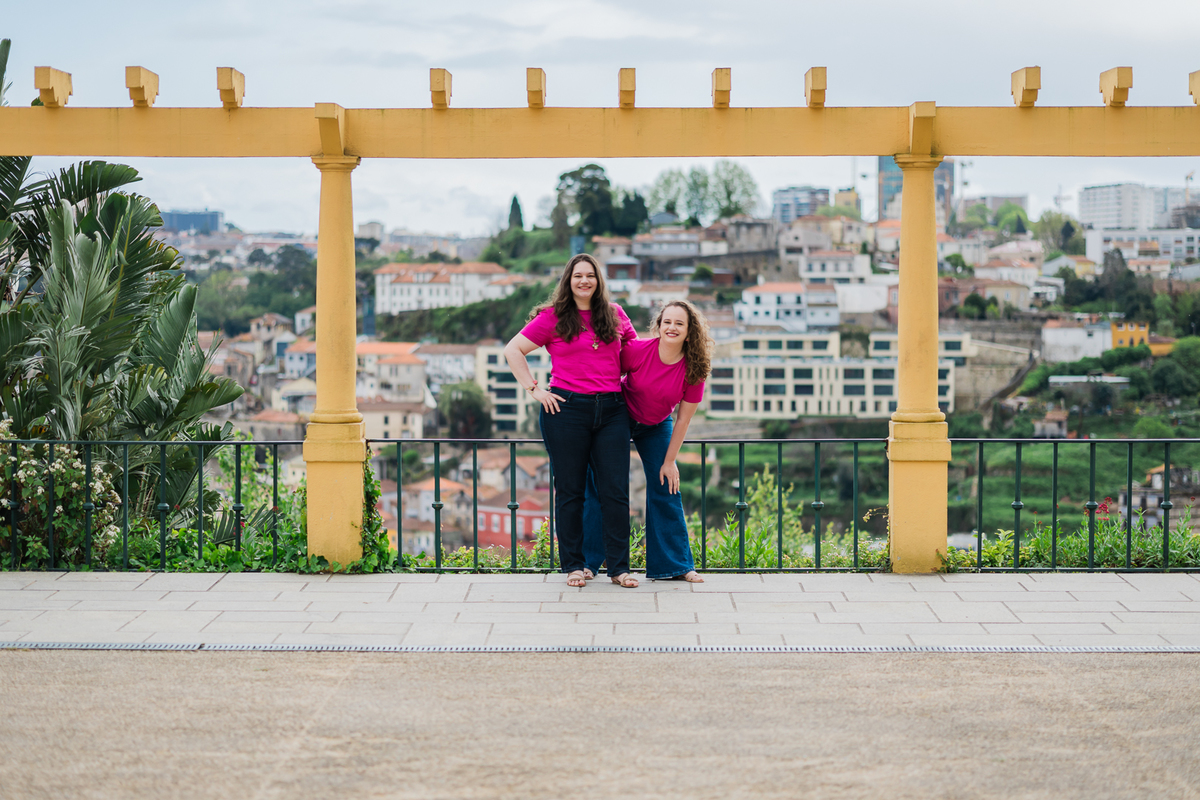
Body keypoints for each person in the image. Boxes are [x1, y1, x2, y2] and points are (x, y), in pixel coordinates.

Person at [503, 254, 639, 589]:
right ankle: (574, 566)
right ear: (568, 280)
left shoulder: (615, 313)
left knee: (616, 492)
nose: (584, 281)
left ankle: (619, 568)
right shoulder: (553, 317)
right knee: (570, 492)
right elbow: (513, 349)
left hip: (612, 410)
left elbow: (637, 355)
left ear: (598, 280)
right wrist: (534, 389)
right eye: (577, 275)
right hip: (565, 410)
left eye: (590, 275)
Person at [582, 300, 712, 582]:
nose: (672, 327)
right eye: (667, 322)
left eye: (679, 323)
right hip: (620, 416)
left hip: (656, 424)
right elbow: (606, 372)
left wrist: (669, 461)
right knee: (601, 485)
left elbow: (683, 419)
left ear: (690, 332)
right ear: (659, 326)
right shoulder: (639, 350)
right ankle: (588, 563)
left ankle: (676, 566)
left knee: (667, 486)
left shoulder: (695, 368)